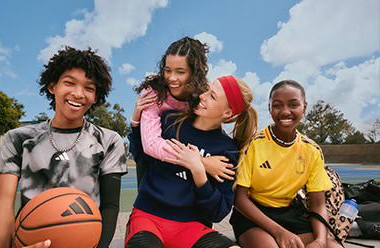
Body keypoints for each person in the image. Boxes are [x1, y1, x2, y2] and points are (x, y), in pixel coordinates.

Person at [0, 46, 127, 248]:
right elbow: (2, 205)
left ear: (96, 96)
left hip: (86, 242)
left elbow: (110, 206)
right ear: (52, 86)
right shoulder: (18, 139)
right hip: (31, 241)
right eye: (69, 83)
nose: (78, 93)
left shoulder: (109, 140)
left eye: (89, 88)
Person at [125, 75, 258, 248]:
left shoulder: (228, 150)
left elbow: (218, 212)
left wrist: (198, 172)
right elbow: (142, 157)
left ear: (227, 113)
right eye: (207, 90)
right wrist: (136, 123)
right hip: (147, 218)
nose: (202, 95)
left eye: (212, 96)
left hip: (189, 227)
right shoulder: (171, 121)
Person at [230, 80, 342, 248]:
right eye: (277, 105)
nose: (285, 112)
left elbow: (318, 204)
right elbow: (239, 199)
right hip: (253, 214)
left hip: (289, 213)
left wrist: (319, 241)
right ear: (269, 109)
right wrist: (280, 233)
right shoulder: (254, 144)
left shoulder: (311, 150)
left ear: (304, 107)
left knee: (332, 246)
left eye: (293, 105)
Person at [132, 36, 235, 187]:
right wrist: (202, 162)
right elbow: (151, 145)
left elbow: (211, 127)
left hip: (184, 164)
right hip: (149, 158)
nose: (172, 78)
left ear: (194, 73)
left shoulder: (202, 95)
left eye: (180, 72)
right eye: (167, 70)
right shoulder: (154, 94)